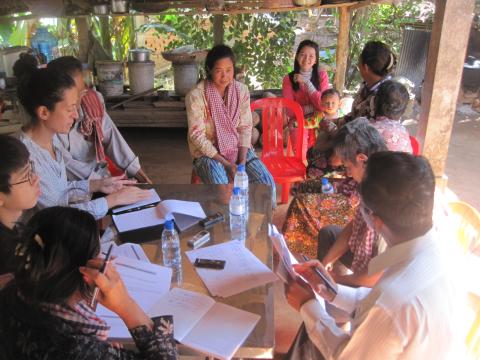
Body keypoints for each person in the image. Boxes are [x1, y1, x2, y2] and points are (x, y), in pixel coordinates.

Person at [284, 152, 463, 359]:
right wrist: (331, 291)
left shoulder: (394, 305)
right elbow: (373, 300)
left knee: (312, 326)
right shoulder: (439, 247)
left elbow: (346, 355)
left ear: (375, 221)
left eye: (362, 208)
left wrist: (308, 305)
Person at [0, 206, 177, 359]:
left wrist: (100, 350)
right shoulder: (74, 346)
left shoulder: (11, 292)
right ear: (88, 274)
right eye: (99, 254)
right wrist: (125, 304)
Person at [15, 66, 151, 220]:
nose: (75, 115)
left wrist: (98, 185)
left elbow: (59, 191)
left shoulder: (49, 140)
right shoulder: (25, 158)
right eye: (70, 109)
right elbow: (57, 217)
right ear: (44, 112)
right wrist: (113, 200)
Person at [284, 119, 388, 289]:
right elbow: (355, 225)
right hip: (365, 257)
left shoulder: (387, 201)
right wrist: (324, 264)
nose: (347, 172)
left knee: (337, 292)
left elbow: (377, 278)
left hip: (380, 284)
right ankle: (329, 294)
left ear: (362, 160)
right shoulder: (369, 179)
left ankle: (336, 300)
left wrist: (334, 279)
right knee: (329, 233)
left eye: (347, 167)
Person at [185, 44, 276, 204]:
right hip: (208, 154)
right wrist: (227, 164)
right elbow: (196, 136)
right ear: (209, 70)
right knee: (225, 191)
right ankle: (227, 224)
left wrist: (241, 163)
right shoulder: (196, 96)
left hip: (237, 148)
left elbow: (245, 127)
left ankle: (260, 226)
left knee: (267, 184)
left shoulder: (241, 91)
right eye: (219, 71)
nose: (225, 76)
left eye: (229, 70)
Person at [46, 56, 152, 183]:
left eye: (83, 90)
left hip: (98, 175)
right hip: (73, 183)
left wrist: (136, 170)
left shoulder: (91, 102)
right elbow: (67, 165)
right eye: (77, 94)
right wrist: (106, 183)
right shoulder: (50, 123)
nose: (84, 95)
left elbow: (110, 133)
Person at [305, 40, 396, 180]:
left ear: (365, 67)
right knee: (311, 153)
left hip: (364, 154)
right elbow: (354, 117)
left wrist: (341, 150)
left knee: (314, 167)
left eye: (359, 61)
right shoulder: (367, 87)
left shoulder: (383, 97)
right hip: (352, 139)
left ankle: (332, 194)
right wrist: (335, 121)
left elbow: (368, 136)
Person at [0, 135, 40, 278]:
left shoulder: (15, 227)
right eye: (25, 176)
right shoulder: (7, 255)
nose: (36, 178)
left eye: (31, 169)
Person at [282, 40, 330, 148]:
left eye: (311, 56)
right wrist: (312, 107)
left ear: (316, 59)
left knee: (321, 149)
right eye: (302, 54)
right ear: (297, 56)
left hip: (319, 118)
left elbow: (324, 104)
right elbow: (290, 111)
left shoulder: (322, 75)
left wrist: (306, 83)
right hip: (298, 120)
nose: (306, 59)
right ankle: (302, 162)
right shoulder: (288, 79)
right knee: (296, 130)